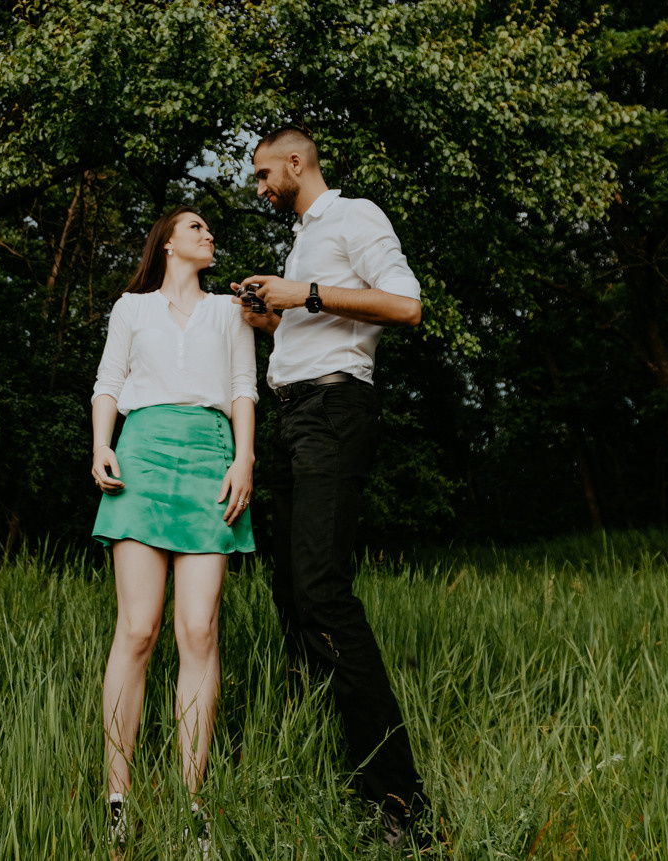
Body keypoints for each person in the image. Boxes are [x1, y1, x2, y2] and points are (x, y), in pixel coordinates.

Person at [230, 125, 432, 849]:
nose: (259, 187)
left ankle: (404, 809)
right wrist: (268, 315)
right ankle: (351, 767)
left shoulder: (355, 216)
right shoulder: (300, 242)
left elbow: (407, 305)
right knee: (290, 590)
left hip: (336, 409)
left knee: (322, 589)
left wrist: (304, 291)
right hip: (293, 415)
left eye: (261, 174)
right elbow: (308, 326)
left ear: (294, 161)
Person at [89, 206, 258, 853]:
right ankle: (117, 797)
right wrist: (101, 444)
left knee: (198, 629)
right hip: (144, 451)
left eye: (210, 228)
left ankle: (193, 801)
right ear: (166, 243)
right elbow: (109, 381)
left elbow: (243, 388)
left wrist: (244, 457)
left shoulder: (229, 311)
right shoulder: (131, 308)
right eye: (196, 226)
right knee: (138, 628)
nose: (208, 233)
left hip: (210, 458)